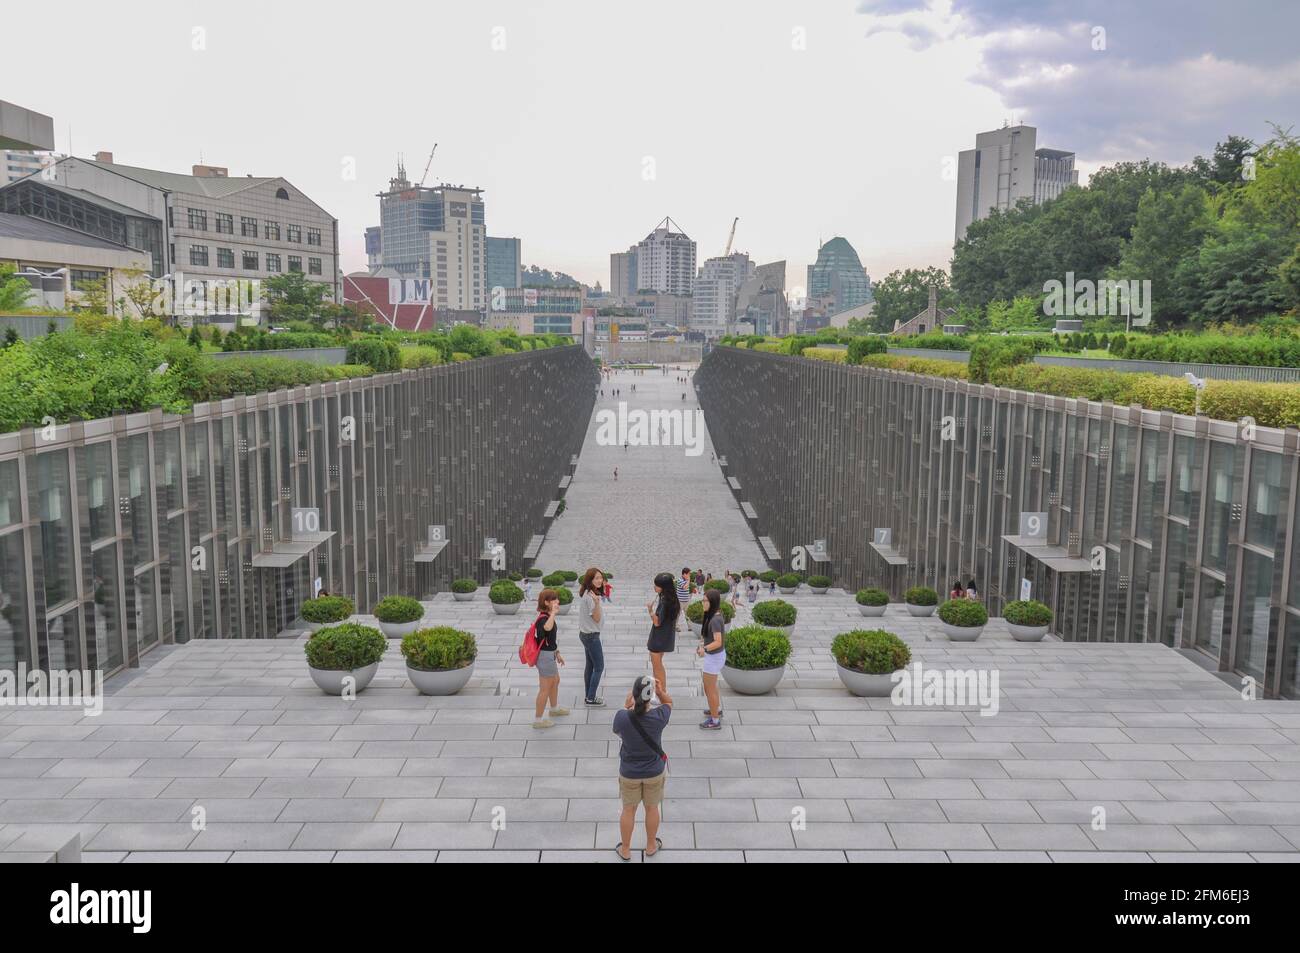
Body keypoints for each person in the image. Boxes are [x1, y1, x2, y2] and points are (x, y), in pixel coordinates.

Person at [612, 675, 672, 860]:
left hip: (629, 773)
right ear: (651, 696)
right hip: (654, 771)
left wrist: (625, 705)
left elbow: (616, 730)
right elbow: (669, 703)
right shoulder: (659, 716)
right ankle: (651, 845)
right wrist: (661, 692)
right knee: (652, 808)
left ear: (634, 694)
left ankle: (626, 849)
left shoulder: (623, 717)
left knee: (628, 809)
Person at [531, 589, 567, 729]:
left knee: (555, 681)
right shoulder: (544, 619)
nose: (557, 602)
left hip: (549, 654)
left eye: (557, 599)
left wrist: (557, 653)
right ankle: (538, 720)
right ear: (546, 602)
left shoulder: (547, 616)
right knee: (545, 688)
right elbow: (547, 628)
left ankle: (554, 708)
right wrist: (553, 614)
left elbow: (548, 639)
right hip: (545, 658)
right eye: (554, 600)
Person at [697, 590, 726, 729]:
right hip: (716, 656)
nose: (703, 603)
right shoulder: (715, 615)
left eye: (705, 601)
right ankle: (716, 709)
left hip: (714, 657)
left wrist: (705, 649)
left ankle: (714, 721)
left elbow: (718, 641)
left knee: (709, 689)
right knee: (712, 687)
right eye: (703, 600)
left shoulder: (715, 619)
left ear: (712, 602)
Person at [577, 568, 606, 707]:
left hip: (586, 634)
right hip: (591, 636)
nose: (600, 580)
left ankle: (588, 696)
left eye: (601, 577)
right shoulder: (591, 597)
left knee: (590, 666)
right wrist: (597, 603)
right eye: (596, 578)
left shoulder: (590, 594)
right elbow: (596, 617)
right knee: (599, 667)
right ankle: (591, 698)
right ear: (590, 581)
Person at [647, 572, 680, 689]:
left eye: (656, 585)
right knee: (658, 665)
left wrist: (650, 611)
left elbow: (656, 622)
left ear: (663, 587)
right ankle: (659, 691)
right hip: (665, 636)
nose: (654, 587)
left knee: (657, 667)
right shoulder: (672, 599)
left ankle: (661, 692)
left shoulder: (664, 601)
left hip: (658, 638)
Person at [675, 568, 692, 633]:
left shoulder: (687, 580)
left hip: (686, 600)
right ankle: (676, 626)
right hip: (680, 601)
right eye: (688, 574)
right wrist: (688, 580)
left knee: (687, 614)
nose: (689, 575)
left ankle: (690, 626)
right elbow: (685, 587)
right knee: (678, 614)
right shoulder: (680, 580)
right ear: (684, 574)